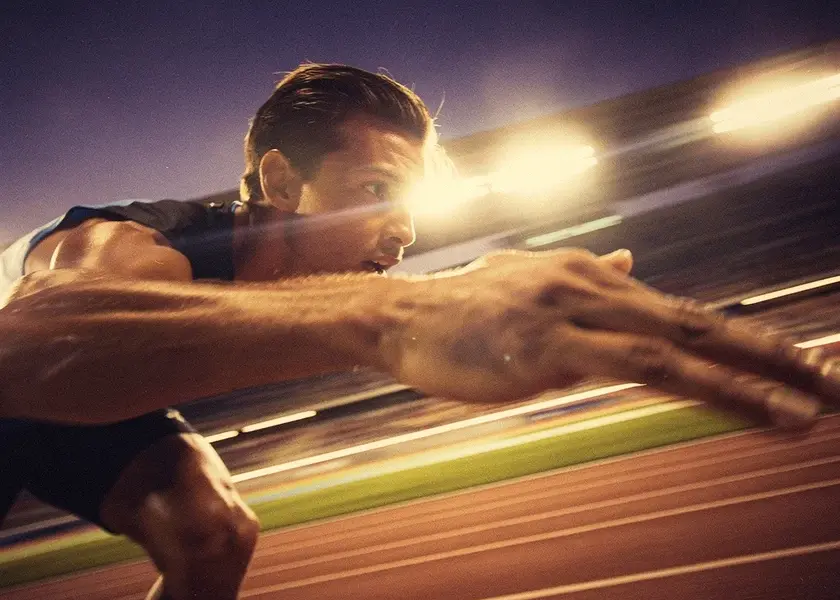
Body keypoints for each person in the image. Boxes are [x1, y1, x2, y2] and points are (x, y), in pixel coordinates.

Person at [0, 64, 838, 600]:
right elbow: (31, 349)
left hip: (81, 406)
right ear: (280, 180)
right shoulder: (130, 242)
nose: (404, 236)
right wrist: (398, 313)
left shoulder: (289, 275)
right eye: (375, 189)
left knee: (215, 534)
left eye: (411, 209)